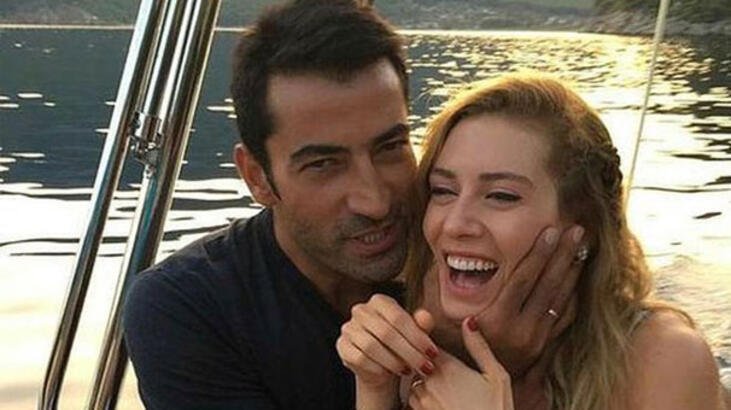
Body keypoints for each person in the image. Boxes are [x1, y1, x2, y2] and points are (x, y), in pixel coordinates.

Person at [122, 1, 583, 409]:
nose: (376, 201)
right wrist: (470, 358)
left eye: (390, 147)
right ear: (257, 177)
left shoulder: (468, 253)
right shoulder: (191, 308)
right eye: (324, 164)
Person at [337, 74, 730, 410]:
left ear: (584, 225)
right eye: (443, 190)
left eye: (501, 196)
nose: (455, 224)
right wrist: (375, 390)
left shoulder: (664, 359)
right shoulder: (419, 337)